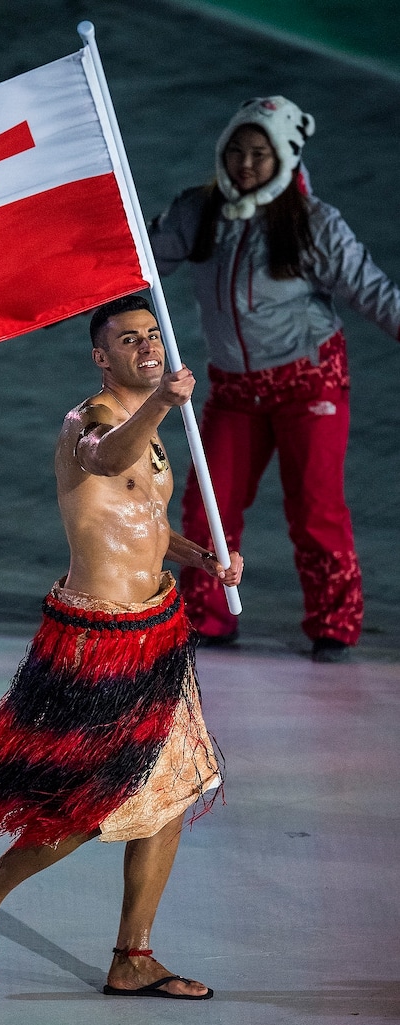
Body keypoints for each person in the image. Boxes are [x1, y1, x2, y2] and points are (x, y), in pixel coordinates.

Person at [0, 294, 243, 998]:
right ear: (101, 356)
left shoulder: (151, 429)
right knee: (96, 799)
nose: (147, 347)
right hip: (100, 642)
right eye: (129, 340)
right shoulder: (91, 419)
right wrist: (164, 405)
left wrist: (201, 556)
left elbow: (146, 519)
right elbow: (101, 457)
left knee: (174, 790)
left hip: (157, 629)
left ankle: (133, 955)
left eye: (153, 336)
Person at [149, 96, 400, 662]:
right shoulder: (199, 210)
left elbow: (373, 291)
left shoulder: (313, 223)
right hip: (236, 389)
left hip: (309, 383)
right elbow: (144, 256)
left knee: (316, 507)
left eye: (259, 153)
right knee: (209, 505)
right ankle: (209, 618)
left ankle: (334, 623)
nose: (244, 163)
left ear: (284, 156)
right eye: (235, 149)